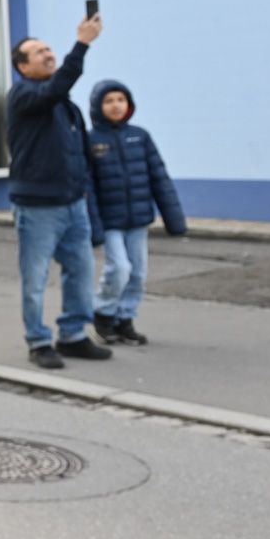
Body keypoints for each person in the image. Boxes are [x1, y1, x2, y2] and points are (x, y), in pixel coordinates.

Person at [6, 15, 113, 370]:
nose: (48, 54)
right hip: (37, 208)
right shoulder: (24, 94)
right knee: (35, 279)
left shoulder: (64, 104)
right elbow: (56, 87)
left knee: (81, 271)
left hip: (72, 204)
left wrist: (85, 193)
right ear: (23, 66)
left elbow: (79, 152)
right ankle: (38, 341)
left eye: (49, 49)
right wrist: (81, 44)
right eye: (38, 52)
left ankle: (73, 335)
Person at [85, 79, 186, 346]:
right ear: (97, 106)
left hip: (138, 219)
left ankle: (125, 319)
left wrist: (174, 219)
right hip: (110, 221)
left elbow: (159, 177)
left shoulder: (140, 136)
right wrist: (93, 226)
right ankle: (104, 313)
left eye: (120, 99)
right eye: (108, 101)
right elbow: (87, 188)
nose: (116, 105)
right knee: (119, 268)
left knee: (138, 273)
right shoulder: (90, 140)